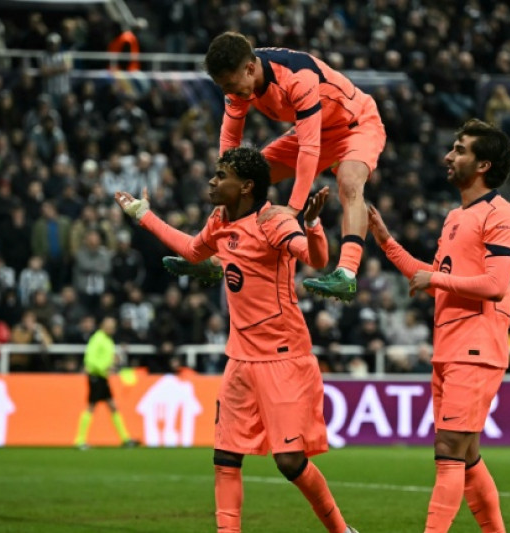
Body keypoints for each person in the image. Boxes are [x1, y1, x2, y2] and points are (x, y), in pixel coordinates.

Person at [115, 146, 358, 533]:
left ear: (246, 186)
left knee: (290, 463)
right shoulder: (220, 220)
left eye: (221, 175)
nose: (212, 181)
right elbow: (194, 251)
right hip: (240, 359)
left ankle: (342, 531)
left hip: (283, 358)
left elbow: (315, 259)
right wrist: (143, 216)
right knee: (225, 457)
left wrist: (312, 225)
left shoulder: (274, 222)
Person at [369, 119, 510, 533]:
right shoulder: (456, 216)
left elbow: (494, 285)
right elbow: (434, 278)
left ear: (483, 165)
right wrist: (386, 240)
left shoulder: (502, 214)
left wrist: (435, 278)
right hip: (449, 347)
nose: (448, 157)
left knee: (448, 450)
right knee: (466, 455)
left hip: (476, 347)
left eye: (459, 150)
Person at [200, 31, 387, 301]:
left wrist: (293, 208)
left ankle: (346, 274)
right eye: (223, 87)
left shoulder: (297, 76)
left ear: (250, 68)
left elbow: (310, 149)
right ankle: (211, 255)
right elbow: (230, 138)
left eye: (230, 84)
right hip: (313, 130)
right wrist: (224, 185)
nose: (228, 92)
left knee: (349, 183)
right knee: (242, 180)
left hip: (355, 125)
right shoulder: (239, 84)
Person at [73, 315, 139, 449]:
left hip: (103, 377)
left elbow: (104, 357)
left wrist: (112, 363)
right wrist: (105, 367)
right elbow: (90, 360)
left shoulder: (106, 339)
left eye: (113, 326)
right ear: (103, 326)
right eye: (110, 325)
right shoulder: (98, 339)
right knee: (91, 406)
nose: (112, 328)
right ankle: (79, 440)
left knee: (112, 406)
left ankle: (125, 439)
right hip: (96, 376)